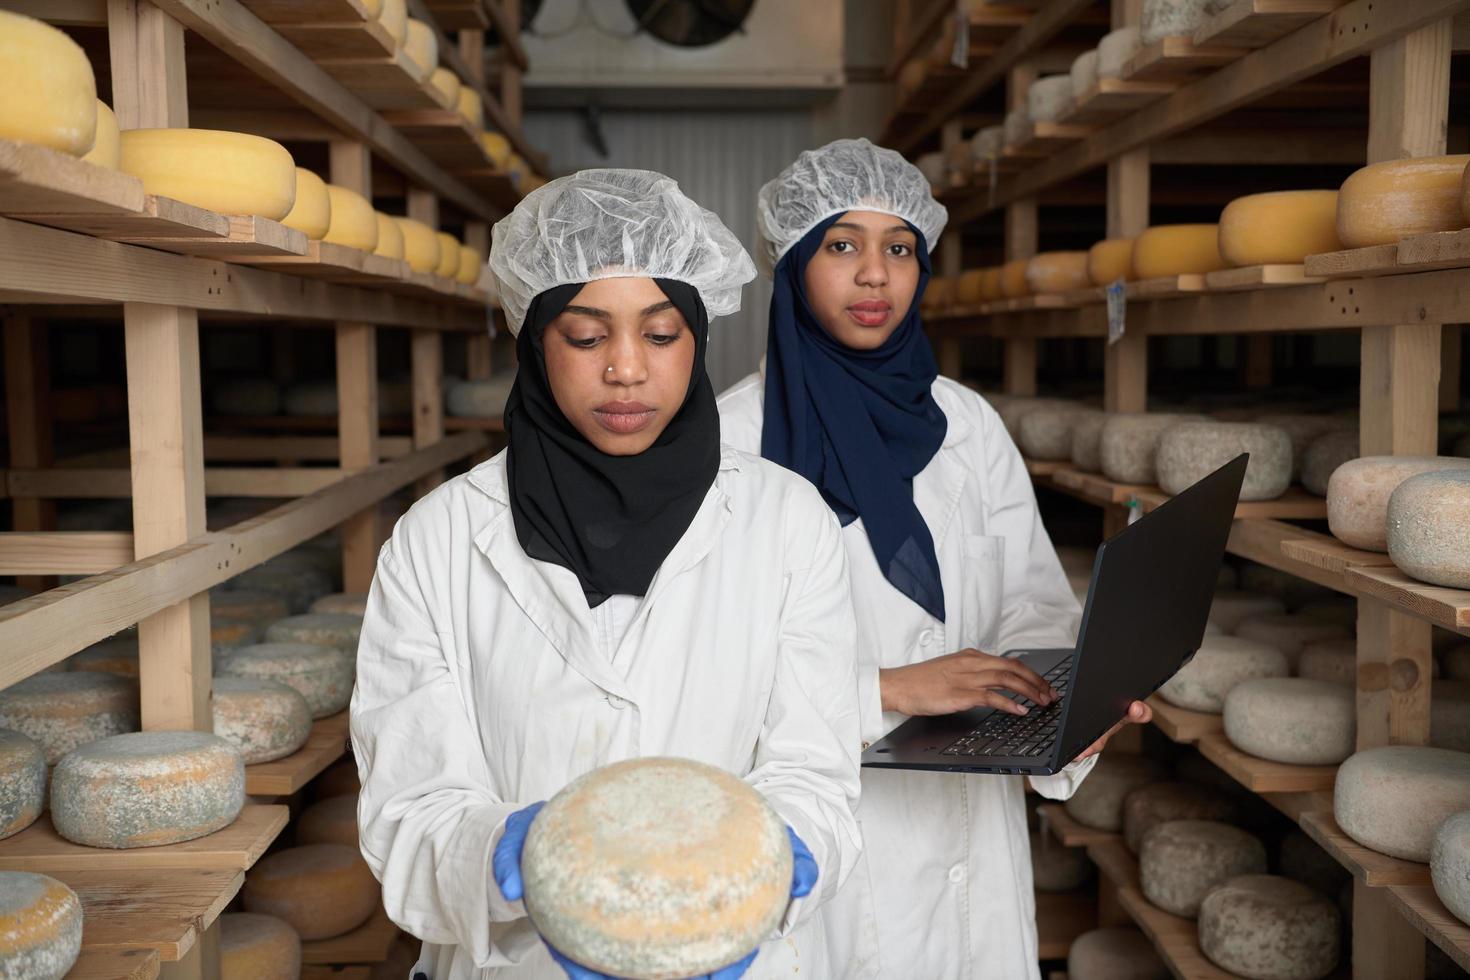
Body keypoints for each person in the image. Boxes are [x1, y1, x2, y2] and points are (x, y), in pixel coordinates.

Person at [350, 169, 864, 980]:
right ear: (534, 340)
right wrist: (511, 856)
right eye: (587, 338)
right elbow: (409, 811)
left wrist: (776, 865)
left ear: (697, 338)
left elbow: (815, 772)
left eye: (660, 336)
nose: (626, 369)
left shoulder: (786, 521)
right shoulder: (439, 538)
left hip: (729, 948)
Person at [717, 138, 1152, 980]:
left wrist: (1070, 696)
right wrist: (885, 690)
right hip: (827, 849)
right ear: (796, 262)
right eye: (842, 245)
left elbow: (1029, 598)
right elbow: (701, 680)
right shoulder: (735, 443)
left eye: (900, 249)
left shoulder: (967, 425)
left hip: (973, 839)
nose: (875, 274)